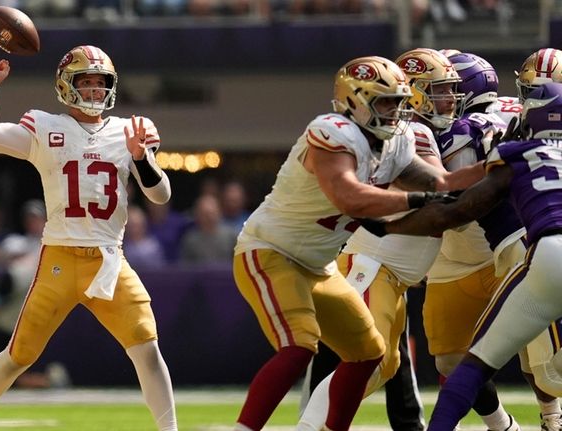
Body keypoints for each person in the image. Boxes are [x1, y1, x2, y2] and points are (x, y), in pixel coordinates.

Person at [230, 55, 481, 431]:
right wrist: (416, 200)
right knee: (299, 346)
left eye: (398, 101)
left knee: (368, 354)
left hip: (319, 265)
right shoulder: (330, 131)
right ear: (354, 99)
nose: (393, 111)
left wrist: (503, 165)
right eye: (384, 101)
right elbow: (351, 198)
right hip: (271, 251)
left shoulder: (395, 143)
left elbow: (442, 184)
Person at [0, 45, 177, 431]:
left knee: (146, 347)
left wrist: (142, 159)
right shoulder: (46, 127)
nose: (93, 91)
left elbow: (161, 196)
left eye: (99, 83)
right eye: (85, 83)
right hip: (60, 259)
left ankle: (169, 430)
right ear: (66, 85)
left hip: (108, 261)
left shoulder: (129, 131)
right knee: (20, 354)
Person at [358, 81, 562, 430]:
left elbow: (456, 211)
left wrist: (388, 227)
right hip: (524, 253)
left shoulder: (515, 151)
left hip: (545, 252)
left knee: (480, 363)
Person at [296, 47, 462, 431]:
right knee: (364, 361)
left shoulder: (401, 132)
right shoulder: (413, 131)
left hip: (389, 273)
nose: (449, 99)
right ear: (414, 94)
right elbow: (446, 191)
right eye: (438, 91)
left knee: (383, 365)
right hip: (374, 266)